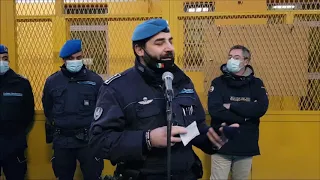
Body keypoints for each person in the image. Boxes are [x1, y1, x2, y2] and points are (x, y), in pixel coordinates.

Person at [89, 18, 239, 180]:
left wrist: (213, 138)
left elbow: (193, 128)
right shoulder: (117, 87)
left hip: (186, 174)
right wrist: (148, 139)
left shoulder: (182, 81)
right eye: (159, 43)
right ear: (139, 49)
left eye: (170, 41)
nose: (169, 48)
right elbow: (99, 142)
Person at [42, 39, 104, 180]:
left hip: (89, 141)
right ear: (64, 60)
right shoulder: (52, 82)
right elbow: (48, 108)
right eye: (71, 58)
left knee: (93, 176)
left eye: (79, 58)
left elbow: (102, 109)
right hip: (62, 140)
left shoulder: (95, 81)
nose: (75, 61)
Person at [208, 45, 269, 180]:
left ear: (246, 62)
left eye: (236, 57)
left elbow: (261, 108)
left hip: (245, 145)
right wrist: (246, 117)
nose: (231, 60)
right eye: (230, 57)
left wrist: (231, 106)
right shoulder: (218, 83)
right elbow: (215, 110)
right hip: (221, 144)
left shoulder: (256, 84)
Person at [0, 44, 35, 180]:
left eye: (5, 58)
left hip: (13, 144)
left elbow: (28, 113)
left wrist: (16, 132)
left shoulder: (21, 83)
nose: (2, 62)